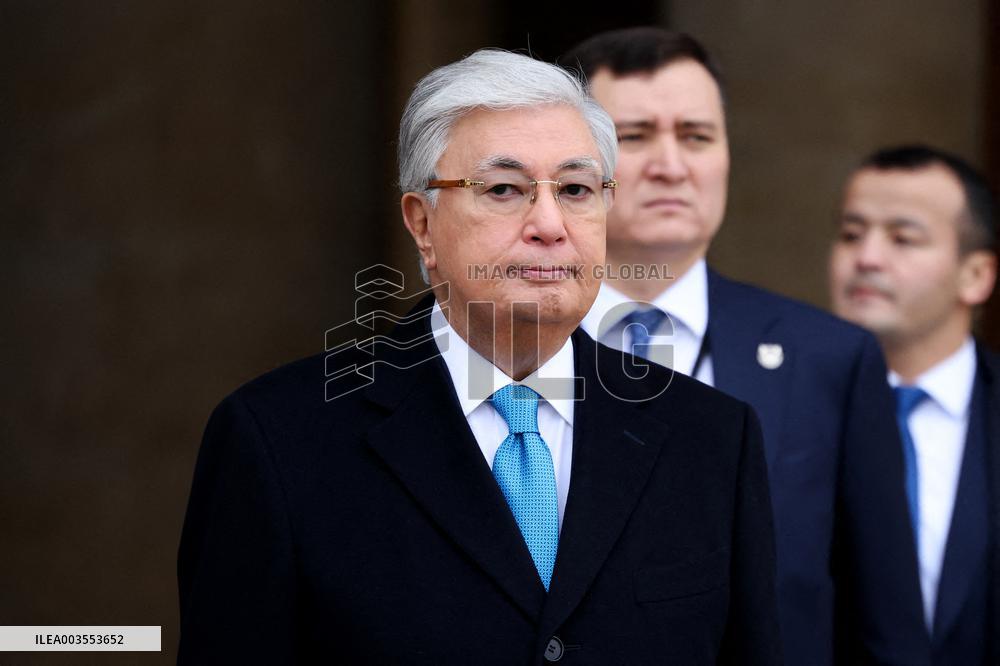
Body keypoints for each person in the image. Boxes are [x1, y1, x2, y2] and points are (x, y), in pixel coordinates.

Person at [177, 49, 782, 664]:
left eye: (575, 189)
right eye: (503, 189)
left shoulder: (710, 437)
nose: (550, 223)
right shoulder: (280, 438)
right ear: (422, 224)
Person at [563, 27, 918, 665]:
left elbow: (885, 626)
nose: (671, 165)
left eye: (697, 136)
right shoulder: (509, 348)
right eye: (635, 136)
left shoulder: (831, 360)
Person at [830, 144, 999, 665]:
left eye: (904, 238)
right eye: (851, 234)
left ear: (975, 276)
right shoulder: (780, 409)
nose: (868, 258)